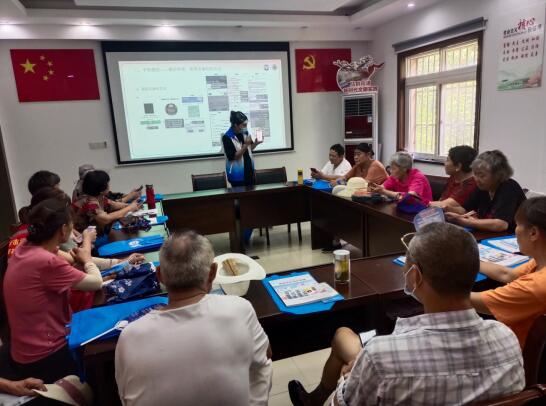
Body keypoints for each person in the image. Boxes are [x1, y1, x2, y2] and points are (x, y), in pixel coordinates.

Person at [289, 222, 524, 406]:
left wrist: (351, 376)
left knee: (346, 341)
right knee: (345, 337)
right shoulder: (507, 339)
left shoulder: (381, 358)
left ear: (414, 276)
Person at [115, 231, 272, 405]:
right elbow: (266, 355)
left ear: (159, 275)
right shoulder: (240, 309)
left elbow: (125, 395)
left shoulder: (129, 337)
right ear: (213, 273)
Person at [3, 198, 104, 383]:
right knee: (103, 354)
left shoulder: (26, 247)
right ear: (63, 230)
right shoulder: (45, 261)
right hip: (46, 357)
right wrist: (88, 259)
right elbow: (96, 282)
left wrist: (116, 262)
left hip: (23, 352)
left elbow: (73, 263)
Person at [471, 196, 546, 348]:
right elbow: (507, 274)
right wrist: (467, 258)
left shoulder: (536, 286)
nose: (515, 231)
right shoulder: (540, 261)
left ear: (533, 233)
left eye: (517, 225)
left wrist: (424, 285)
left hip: (519, 351)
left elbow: (475, 302)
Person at [445, 150, 526, 232]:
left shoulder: (509, 187)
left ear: (498, 175)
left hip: (513, 235)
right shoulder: (483, 187)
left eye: (482, 176)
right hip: (489, 234)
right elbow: (464, 210)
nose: (477, 179)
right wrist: (446, 209)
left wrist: (464, 221)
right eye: (475, 174)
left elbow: (501, 225)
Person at [72, 170, 142, 237]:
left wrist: (133, 205)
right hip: (83, 239)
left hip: (94, 235)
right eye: (108, 184)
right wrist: (129, 208)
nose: (109, 185)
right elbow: (106, 219)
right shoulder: (89, 203)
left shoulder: (99, 197)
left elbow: (115, 205)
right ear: (101, 190)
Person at [368, 151, 432, 204]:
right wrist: (375, 188)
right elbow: (382, 187)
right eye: (390, 168)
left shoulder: (418, 177)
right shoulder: (394, 176)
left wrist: (383, 191)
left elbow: (410, 197)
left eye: (393, 168)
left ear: (404, 168)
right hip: (405, 207)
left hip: (424, 211)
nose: (390, 171)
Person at [222, 111, 262, 187]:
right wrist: (246, 145)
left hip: (250, 172)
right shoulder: (227, 137)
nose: (246, 127)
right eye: (244, 125)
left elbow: (249, 149)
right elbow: (233, 156)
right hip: (237, 175)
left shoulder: (245, 133)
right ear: (235, 125)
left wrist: (256, 143)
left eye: (246, 124)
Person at [72, 164, 142, 203]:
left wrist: (129, 195)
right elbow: (111, 204)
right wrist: (129, 197)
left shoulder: (94, 188)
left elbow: (110, 195)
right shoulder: (83, 194)